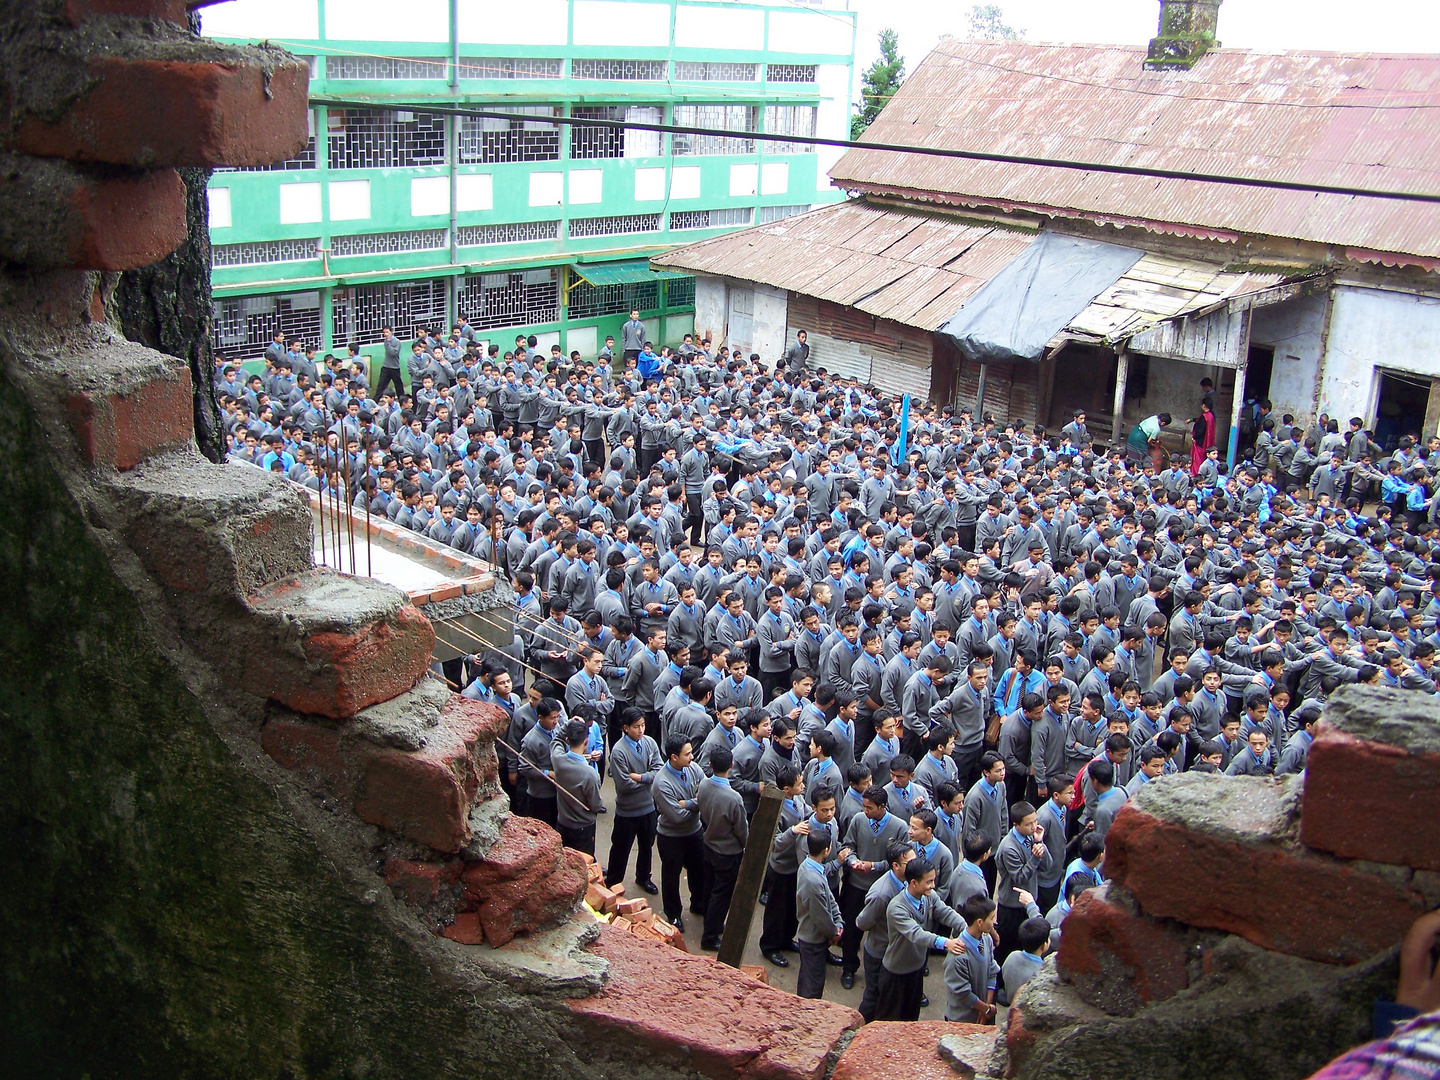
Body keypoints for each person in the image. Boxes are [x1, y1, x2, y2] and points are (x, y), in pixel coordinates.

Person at [874, 857, 968, 1021]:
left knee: (911, 1017)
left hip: (916, 969)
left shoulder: (928, 896)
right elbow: (916, 933)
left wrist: (966, 928)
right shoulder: (897, 907)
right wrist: (946, 943)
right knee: (889, 1020)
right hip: (896, 972)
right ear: (914, 883)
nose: (933, 885)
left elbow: (945, 912)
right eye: (929, 881)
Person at [652, 735, 708, 932]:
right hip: (671, 837)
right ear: (674, 757)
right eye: (688, 754)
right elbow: (677, 816)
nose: (692, 757)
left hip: (695, 832)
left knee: (698, 871)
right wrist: (697, 803)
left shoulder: (692, 768)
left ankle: (699, 903)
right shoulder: (662, 783)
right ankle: (673, 914)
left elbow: (706, 793)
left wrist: (690, 803)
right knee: (671, 876)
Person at [696, 746, 748, 951]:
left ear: (710, 765)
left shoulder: (704, 785)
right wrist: (746, 846)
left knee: (709, 886)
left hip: (708, 843)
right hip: (727, 852)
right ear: (731, 766)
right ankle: (710, 935)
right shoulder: (733, 798)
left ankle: (712, 923)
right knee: (721, 893)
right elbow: (741, 829)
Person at [606, 712, 662, 893]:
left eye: (643, 725)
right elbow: (624, 785)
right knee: (621, 848)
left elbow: (658, 770)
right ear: (626, 728)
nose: (641, 730)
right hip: (627, 811)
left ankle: (644, 877)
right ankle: (613, 880)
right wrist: (648, 780)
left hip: (648, 807)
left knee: (647, 845)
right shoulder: (619, 751)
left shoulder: (650, 743)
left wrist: (639, 777)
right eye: (636, 727)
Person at [795, 829, 844, 999]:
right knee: (812, 984)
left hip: (814, 935)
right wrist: (833, 932)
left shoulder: (811, 867)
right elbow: (820, 915)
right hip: (812, 938)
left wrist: (838, 920)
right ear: (826, 850)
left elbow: (829, 898)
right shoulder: (812, 880)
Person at [944, 895, 1002, 1024]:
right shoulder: (958, 955)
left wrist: (986, 1007)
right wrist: (985, 1009)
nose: (994, 922)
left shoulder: (986, 939)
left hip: (983, 1012)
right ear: (979, 922)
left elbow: (992, 971)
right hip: (962, 1020)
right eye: (992, 918)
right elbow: (962, 992)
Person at [552, 720, 603, 857]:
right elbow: (596, 804)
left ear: (567, 740)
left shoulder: (558, 761)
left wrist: (568, 724)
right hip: (583, 828)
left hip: (563, 822)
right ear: (586, 742)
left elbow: (556, 740)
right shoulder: (590, 774)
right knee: (584, 864)